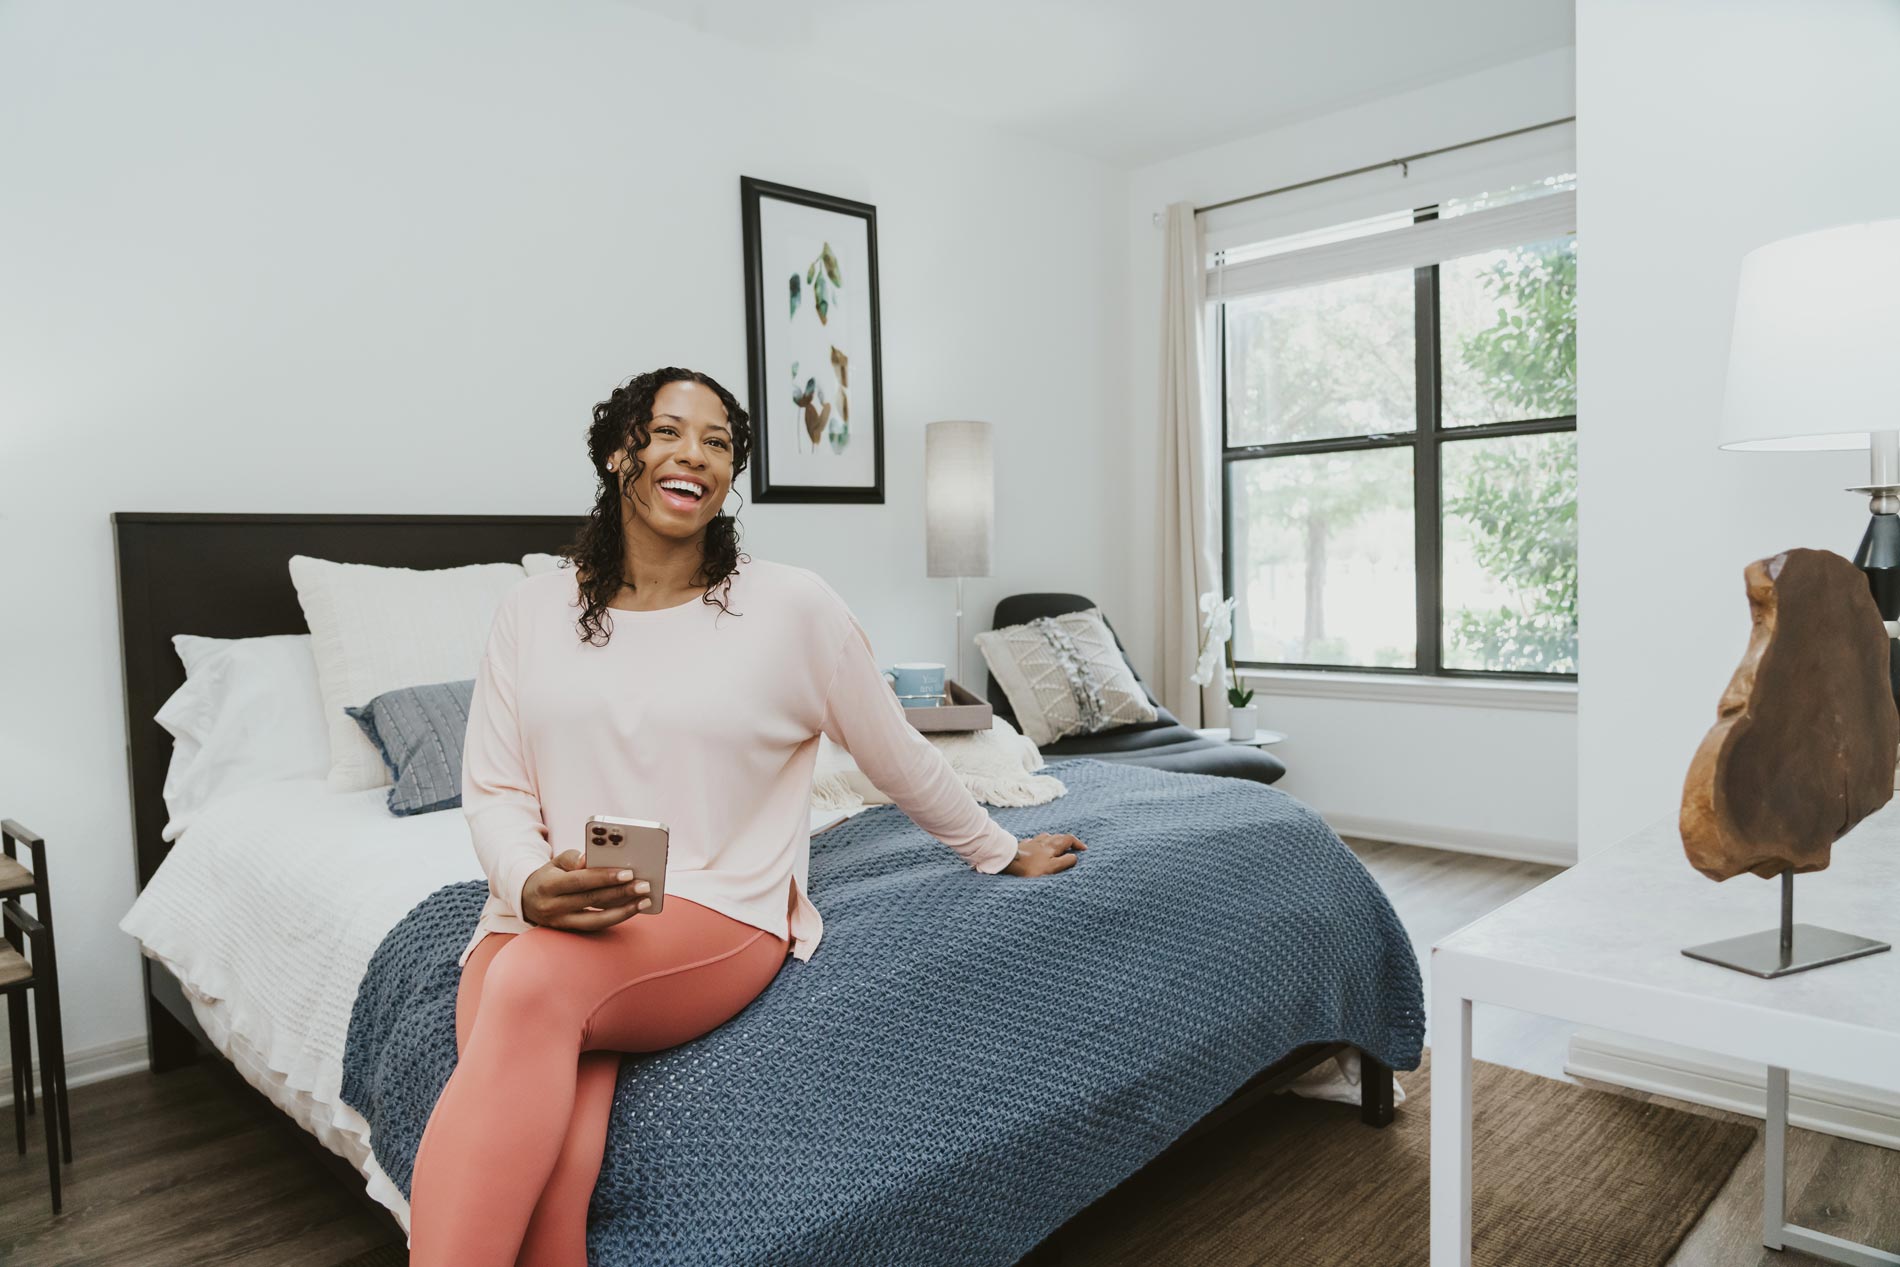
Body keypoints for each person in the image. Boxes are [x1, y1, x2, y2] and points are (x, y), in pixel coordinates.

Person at [407, 366, 1087, 1266]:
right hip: (545, 909)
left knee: (528, 989)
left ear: (731, 474)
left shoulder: (792, 607)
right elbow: (494, 787)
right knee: (551, 1162)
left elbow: (895, 750)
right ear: (620, 452)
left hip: (716, 906)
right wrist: (529, 885)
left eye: (718, 441)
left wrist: (998, 850)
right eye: (667, 432)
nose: (694, 453)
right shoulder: (532, 611)